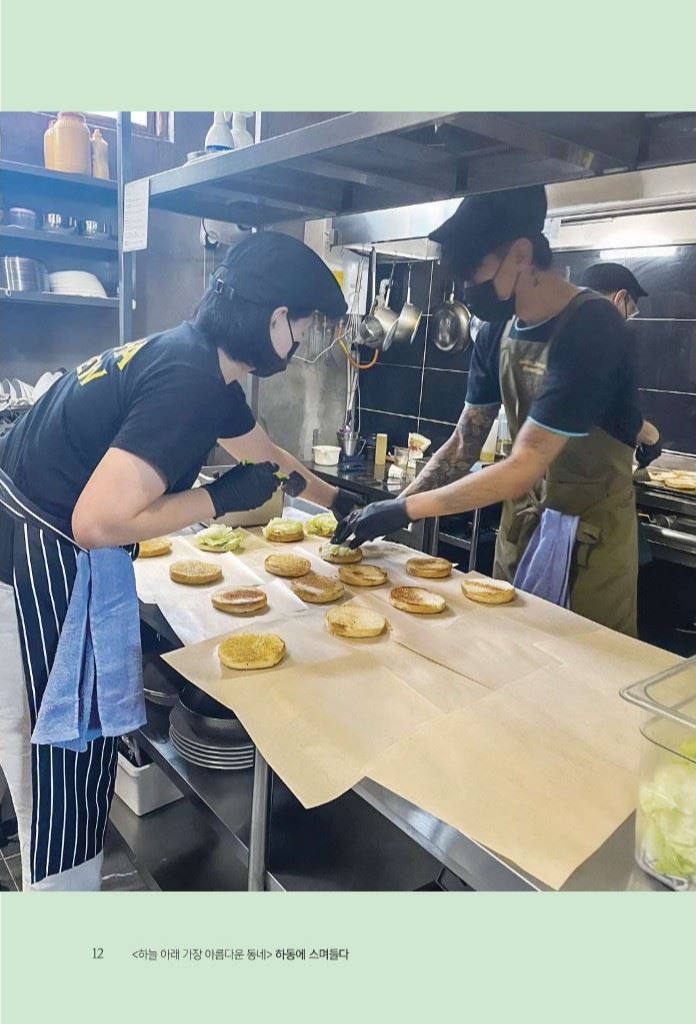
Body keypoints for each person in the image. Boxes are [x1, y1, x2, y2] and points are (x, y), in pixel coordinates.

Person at [0, 231, 359, 891]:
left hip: (31, 545)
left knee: (62, 766)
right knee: (56, 764)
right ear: (275, 318)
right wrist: (216, 498)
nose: (302, 342)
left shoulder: (196, 359)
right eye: (305, 326)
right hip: (30, 567)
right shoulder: (189, 380)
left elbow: (268, 457)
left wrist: (345, 503)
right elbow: (96, 522)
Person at [334, 186, 654, 636]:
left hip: (591, 542)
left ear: (521, 254)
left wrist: (408, 510)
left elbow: (526, 463)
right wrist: (397, 504)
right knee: (507, 648)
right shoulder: (496, 332)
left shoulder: (593, 326)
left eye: (473, 271)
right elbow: (464, 443)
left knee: (582, 664)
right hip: (522, 529)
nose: (469, 288)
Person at [581, 261, 661, 467]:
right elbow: (610, 408)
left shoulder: (557, 329)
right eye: (631, 308)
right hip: (589, 473)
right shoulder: (605, 339)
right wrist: (651, 436)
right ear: (620, 297)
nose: (628, 317)